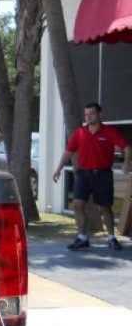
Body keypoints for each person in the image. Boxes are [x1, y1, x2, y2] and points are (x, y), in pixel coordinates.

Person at [53, 103, 131, 250]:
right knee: (77, 204)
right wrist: (58, 169)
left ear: (99, 115)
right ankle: (82, 238)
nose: (88, 117)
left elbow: (126, 147)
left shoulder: (109, 132)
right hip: (83, 174)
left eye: (92, 114)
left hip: (103, 174)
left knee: (105, 208)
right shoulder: (80, 133)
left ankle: (111, 238)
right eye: (86, 115)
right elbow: (68, 153)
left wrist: (126, 163)